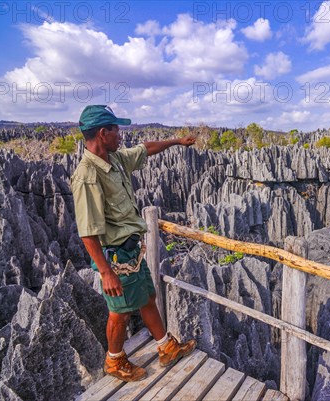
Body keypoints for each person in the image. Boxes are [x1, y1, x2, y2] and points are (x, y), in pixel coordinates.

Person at [71, 105, 196, 382]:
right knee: (120, 312)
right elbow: (88, 232)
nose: (121, 135)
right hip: (115, 257)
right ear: (103, 133)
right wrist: (106, 272)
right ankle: (114, 362)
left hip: (131, 252)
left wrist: (176, 140)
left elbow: (145, 148)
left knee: (147, 298)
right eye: (116, 130)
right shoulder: (88, 176)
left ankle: (166, 347)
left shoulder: (114, 159)